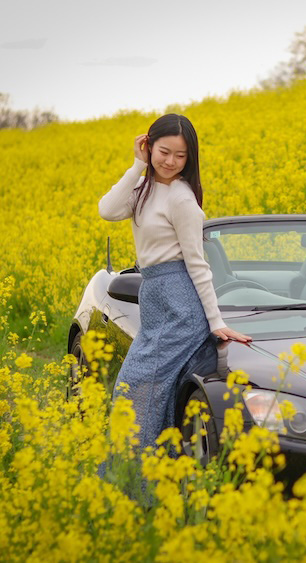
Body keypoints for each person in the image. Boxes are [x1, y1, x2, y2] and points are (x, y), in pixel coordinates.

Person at [98, 113, 252, 471]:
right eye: (163, 151)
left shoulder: (181, 199)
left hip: (180, 304)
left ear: (190, 159)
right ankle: (151, 479)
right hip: (156, 298)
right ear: (149, 146)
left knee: (136, 387)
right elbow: (107, 210)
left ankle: (136, 482)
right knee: (154, 392)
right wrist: (137, 164)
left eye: (180, 156)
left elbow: (198, 264)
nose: (170, 161)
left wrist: (216, 322)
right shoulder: (144, 190)